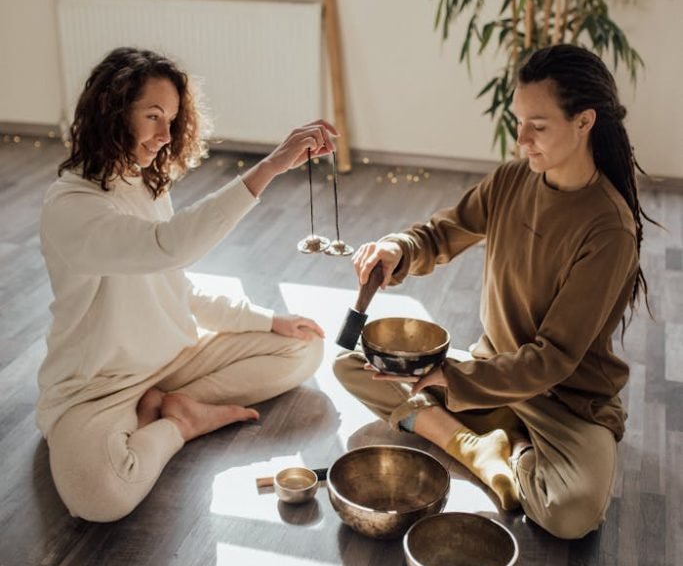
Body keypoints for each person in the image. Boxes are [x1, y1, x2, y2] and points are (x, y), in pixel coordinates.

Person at [335, 44, 651, 539]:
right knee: (352, 366)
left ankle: (508, 445)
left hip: (564, 402)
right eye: (518, 121)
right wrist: (397, 248)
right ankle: (476, 444)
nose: (521, 139)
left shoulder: (608, 229)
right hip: (490, 376)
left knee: (571, 515)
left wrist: (451, 382)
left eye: (538, 126)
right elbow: (442, 234)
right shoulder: (511, 181)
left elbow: (553, 359)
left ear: (584, 121)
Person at [37, 46, 337, 523]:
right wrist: (272, 166)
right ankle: (180, 423)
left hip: (174, 359)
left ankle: (160, 412)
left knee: (305, 348)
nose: (164, 135)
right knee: (98, 497)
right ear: (111, 114)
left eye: (172, 119)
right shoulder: (71, 208)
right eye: (152, 116)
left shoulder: (142, 184)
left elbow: (175, 287)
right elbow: (168, 246)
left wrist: (268, 320)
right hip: (100, 387)